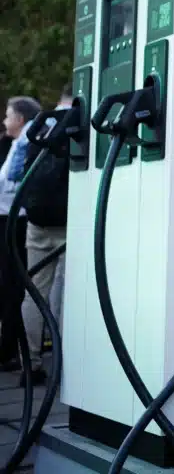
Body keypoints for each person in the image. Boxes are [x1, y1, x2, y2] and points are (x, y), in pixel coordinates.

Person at [16, 84, 73, 385]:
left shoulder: (41, 123)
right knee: (65, 293)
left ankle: (30, 364)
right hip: (69, 223)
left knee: (33, 292)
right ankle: (65, 367)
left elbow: (16, 173)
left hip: (37, 222)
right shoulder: (80, 124)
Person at [0, 96, 43, 370]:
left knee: (13, 285)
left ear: (20, 119)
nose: (5, 121)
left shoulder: (25, 142)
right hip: (13, 219)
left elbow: (11, 180)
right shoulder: (20, 141)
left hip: (14, 221)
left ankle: (11, 350)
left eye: (8, 115)